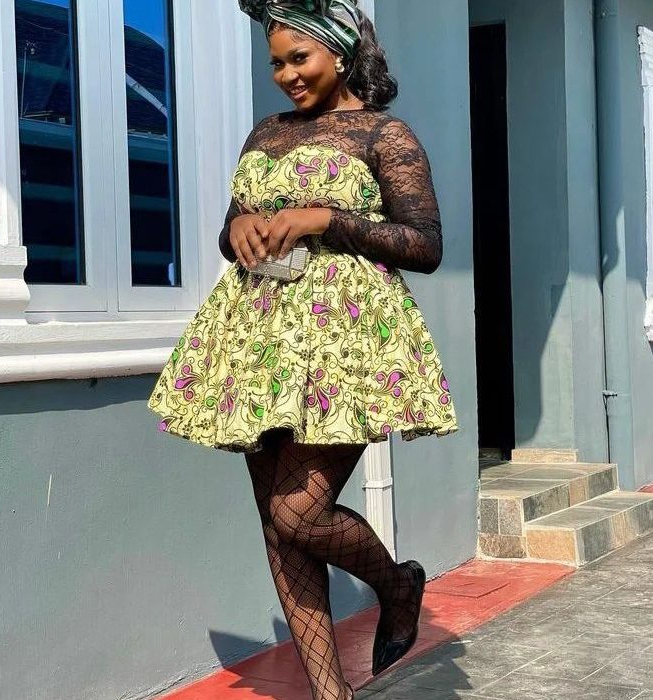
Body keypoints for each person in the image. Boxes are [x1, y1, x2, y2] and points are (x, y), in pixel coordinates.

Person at [147, 1, 459, 698]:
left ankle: (396, 584)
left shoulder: (384, 134)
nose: (286, 74)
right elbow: (233, 226)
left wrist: (323, 218)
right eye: (276, 63)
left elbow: (424, 243)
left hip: (343, 343)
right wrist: (239, 231)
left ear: (339, 54)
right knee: (278, 525)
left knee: (300, 513)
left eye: (300, 58)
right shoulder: (266, 132)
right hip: (256, 340)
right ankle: (329, 693)